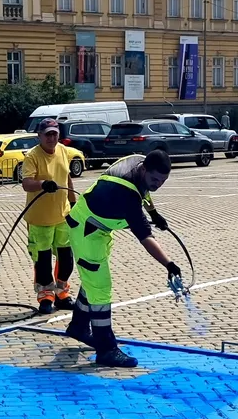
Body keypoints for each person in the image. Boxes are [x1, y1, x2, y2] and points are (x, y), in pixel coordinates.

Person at [64, 151, 180, 368]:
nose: (158, 185)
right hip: (86, 231)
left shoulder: (137, 162)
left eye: (163, 181)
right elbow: (145, 237)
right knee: (100, 287)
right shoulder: (126, 194)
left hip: (96, 229)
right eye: (155, 180)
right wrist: (169, 264)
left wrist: (153, 213)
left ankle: (78, 327)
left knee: (92, 280)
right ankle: (106, 350)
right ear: (144, 169)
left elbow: (145, 192)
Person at [20, 118, 76, 314]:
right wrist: (43, 184)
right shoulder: (32, 156)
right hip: (40, 219)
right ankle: (45, 296)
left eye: (55, 134)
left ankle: (62, 294)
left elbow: (67, 176)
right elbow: (26, 183)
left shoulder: (63, 151)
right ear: (40, 136)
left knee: (66, 259)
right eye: (48, 134)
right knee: (43, 262)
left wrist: (74, 203)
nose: (51, 138)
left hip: (63, 215)